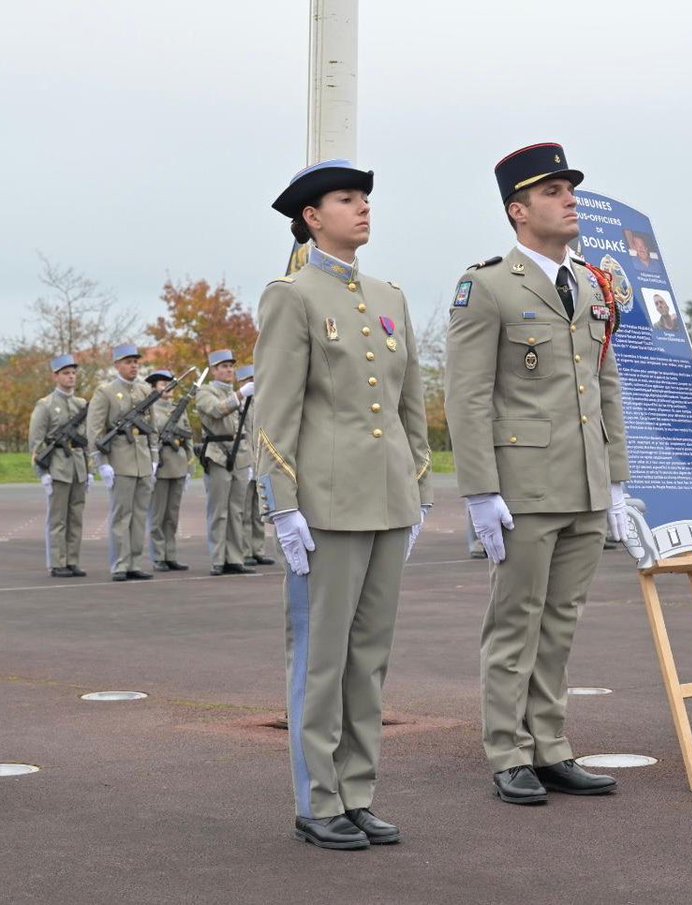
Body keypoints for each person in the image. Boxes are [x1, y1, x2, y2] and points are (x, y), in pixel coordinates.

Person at [444, 142, 628, 806]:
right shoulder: (488, 285)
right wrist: (480, 491)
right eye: (553, 191)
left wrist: (619, 480)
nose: (570, 198)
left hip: (583, 482)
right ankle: (507, 749)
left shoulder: (589, 285)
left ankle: (550, 745)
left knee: (561, 622)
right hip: (523, 485)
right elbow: (466, 397)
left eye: (571, 188)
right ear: (519, 211)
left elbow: (606, 384)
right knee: (515, 620)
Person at [256, 159, 432, 849]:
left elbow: (410, 402)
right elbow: (276, 409)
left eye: (364, 198)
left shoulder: (389, 295)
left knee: (370, 657)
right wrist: (283, 504)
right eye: (345, 199)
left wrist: (416, 490)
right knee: (321, 657)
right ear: (311, 216)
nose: (361, 208)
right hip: (325, 506)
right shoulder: (291, 295)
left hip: (387, 500)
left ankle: (357, 791)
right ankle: (317, 799)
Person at [87, 344, 155, 581]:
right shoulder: (105, 392)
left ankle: (135, 562)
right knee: (121, 516)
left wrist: (154, 459)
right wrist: (101, 463)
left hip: (143, 463)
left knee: (139, 516)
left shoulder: (146, 390)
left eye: (136, 361)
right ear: (116, 365)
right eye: (128, 361)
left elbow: (152, 429)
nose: (133, 365)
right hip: (119, 462)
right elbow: (95, 432)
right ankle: (119, 564)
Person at [29, 354, 90, 577]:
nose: (71, 377)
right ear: (56, 376)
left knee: (75, 518)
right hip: (57, 468)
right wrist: (42, 472)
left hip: (77, 469)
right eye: (66, 373)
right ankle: (57, 562)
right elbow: (36, 442)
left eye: (73, 373)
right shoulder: (45, 405)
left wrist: (89, 469)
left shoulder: (81, 404)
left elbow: (86, 441)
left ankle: (72, 560)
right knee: (58, 519)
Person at [196, 349, 255, 576]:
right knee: (219, 510)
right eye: (223, 366)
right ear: (213, 370)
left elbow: (248, 427)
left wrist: (250, 459)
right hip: (218, 454)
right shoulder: (205, 392)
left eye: (231, 366)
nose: (229, 370)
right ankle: (218, 559)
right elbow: (217, 410)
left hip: (240, 453)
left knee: (237, 510)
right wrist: (240, 394)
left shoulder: (240, 394)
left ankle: (235, 558)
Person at [147, 369, 192, 571]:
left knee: (172, 515)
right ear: (154, 388)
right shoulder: (151, 410)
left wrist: (190, 464)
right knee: (158, 515)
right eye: (163, 384)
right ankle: (158, 556)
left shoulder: (179, 409)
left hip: (179, 465)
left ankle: (170, 554)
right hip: (162, 466)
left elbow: (188, 437)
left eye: (170, 383)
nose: (168, 387)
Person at [237, 364, 274, 566]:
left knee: (258, 509)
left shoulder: (262, 404)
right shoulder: (241, 406)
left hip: (259, 462)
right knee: (244, 510)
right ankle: (245, 550)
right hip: (245, 461)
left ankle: (258, 549)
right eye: (247, 380)